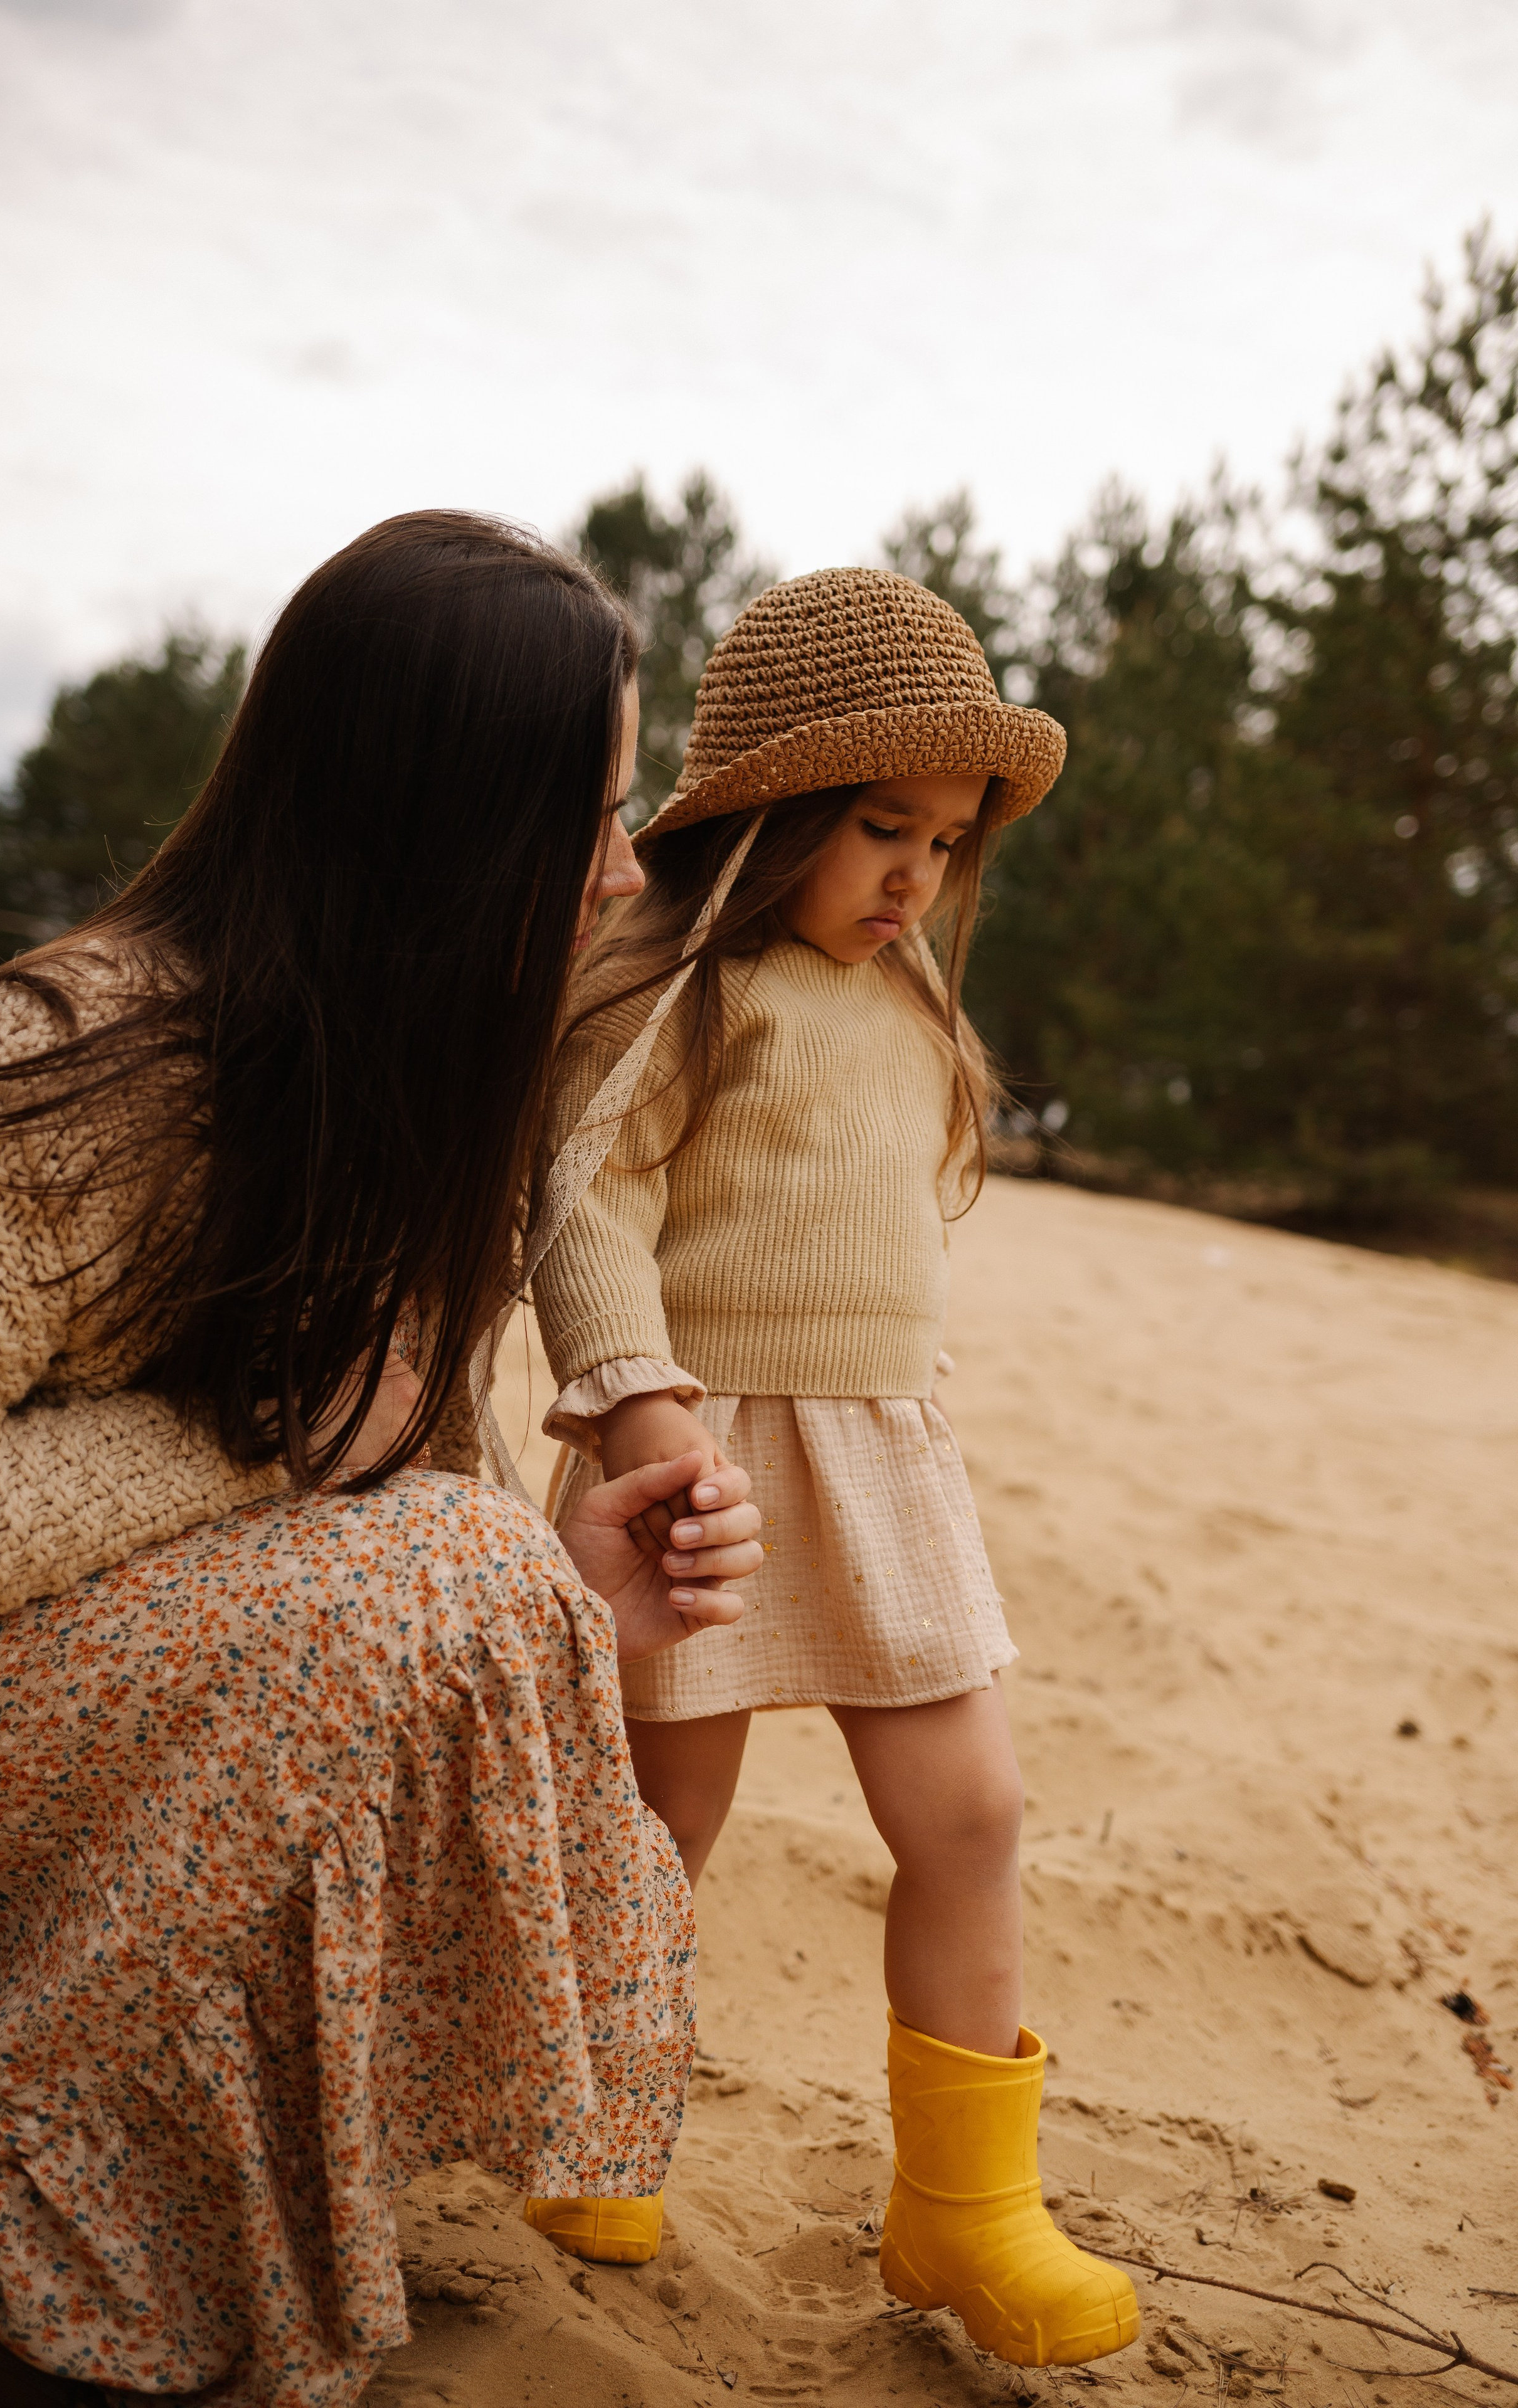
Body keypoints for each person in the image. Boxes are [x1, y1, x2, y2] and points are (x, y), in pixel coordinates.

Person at [0, 510, 763, 2408]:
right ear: (442, 826)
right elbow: (293, 1465)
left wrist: (570, 1603)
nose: (624, 872)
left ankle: (117, 2228)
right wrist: (247, 1439)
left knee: (480, 1583)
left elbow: (385, 1501)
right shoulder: (76, 1062)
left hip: (102, 1736)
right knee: (449, 1576)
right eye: (588, 817)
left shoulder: (404, 1081)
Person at [529, 568, 1140, 2368]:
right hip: (697, 1457)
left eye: (946, 844)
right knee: (662, 1820)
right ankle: (595, 2131)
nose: (914, 877)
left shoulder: (909, 1004)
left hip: (883, 1459)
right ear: (770, 812)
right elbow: (585, 1207)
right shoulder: (681, 994)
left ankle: (965, 2206)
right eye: (882, 828)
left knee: (972, 1814)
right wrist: (639, 1411)